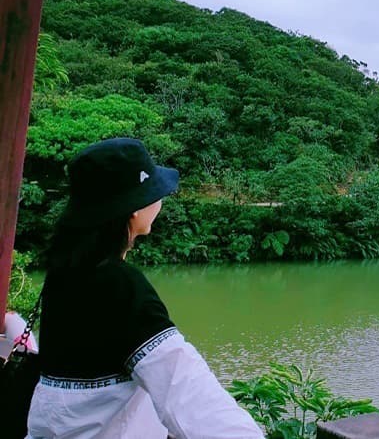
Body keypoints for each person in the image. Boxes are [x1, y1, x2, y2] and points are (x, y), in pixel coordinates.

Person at [26, 138, 263, 439]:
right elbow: (187, 393)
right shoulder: (121, 287)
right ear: (133, 210)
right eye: (154, 193)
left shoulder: (64, 273)